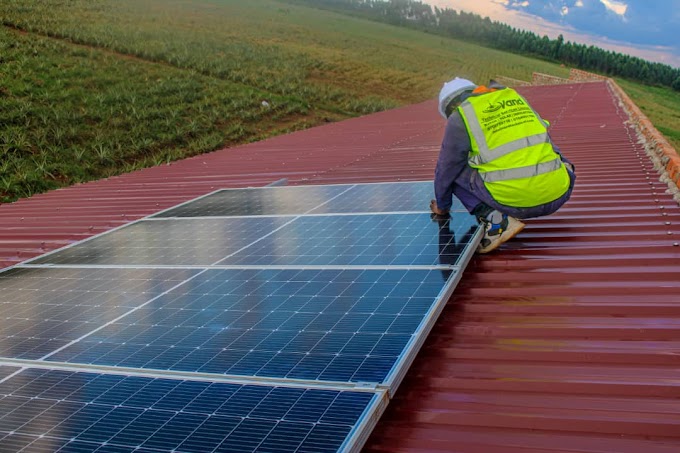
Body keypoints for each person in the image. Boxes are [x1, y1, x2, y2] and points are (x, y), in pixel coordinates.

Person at [430, 77, 576, 253]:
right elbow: (547, 141)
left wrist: (443, 207)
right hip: (560, 193)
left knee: (454, 170)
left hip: (516, 204)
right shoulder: (515, 99)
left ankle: (496, 220)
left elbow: (445, 169)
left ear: (450, 107)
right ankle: (562, 176)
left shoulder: (461, 116)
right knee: (546, 149)